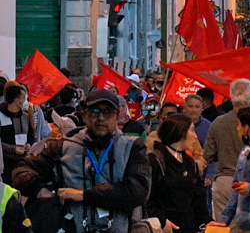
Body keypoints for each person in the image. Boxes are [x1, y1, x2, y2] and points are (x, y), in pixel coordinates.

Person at [13, 89, 151, 233]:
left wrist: (83, 195)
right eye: (95, 111)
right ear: (84, 115)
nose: (101, 118)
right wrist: (40, 189)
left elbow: (137, 191)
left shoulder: (131, 148)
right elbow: (21, 171)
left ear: (117, 116)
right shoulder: (64, 146)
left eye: (107, 112)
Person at [203, 79, 250, 231]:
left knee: (225, 228)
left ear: (231, 97)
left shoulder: (218, 123)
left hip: (225, 181)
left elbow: (208, 154)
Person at [147, 113, 210, 233]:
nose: (196, 136)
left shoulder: (190, 163)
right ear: (181, 132)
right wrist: (162, 221)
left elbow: (199, 198)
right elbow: (146, 199)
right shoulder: (155, 161)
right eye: (192, 131)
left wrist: (207, 221)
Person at [0, 82, 34, 185]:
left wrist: (29, 144)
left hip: (23, 162)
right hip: (6, 164)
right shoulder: (1, 116)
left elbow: (31, 136)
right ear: (17, 101)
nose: (26, 101)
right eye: (24, 98)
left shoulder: (25, 116)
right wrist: (13, 148)